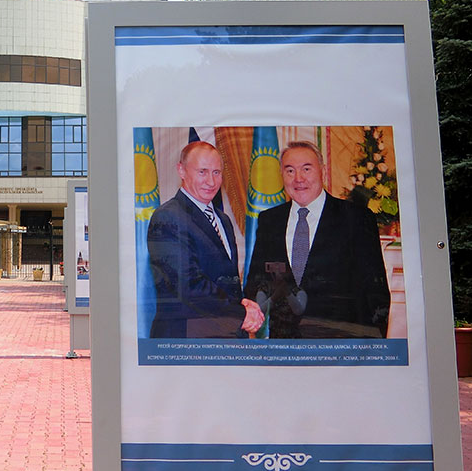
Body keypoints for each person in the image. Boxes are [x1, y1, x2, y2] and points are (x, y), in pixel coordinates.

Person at [244, 141, 390, 338]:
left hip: (342, 347)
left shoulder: (356, 218)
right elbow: (258, 279)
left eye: (306, 169)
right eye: (290, 171)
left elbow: (375, 291)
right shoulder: (270, 220)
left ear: (322, 171)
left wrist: (370, 349)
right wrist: (250, 307)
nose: (298, 179)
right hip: (285, 346)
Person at [147, 141, 263, 338]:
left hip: (221, 341)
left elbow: (226, 282)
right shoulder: (167, 217)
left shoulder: (223, 220)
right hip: (186, 343)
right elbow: (188, 285)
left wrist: (243, 304)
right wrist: (240, 313)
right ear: (181, 171)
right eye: (202, 172)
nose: (211, 181)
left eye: (216, 172)